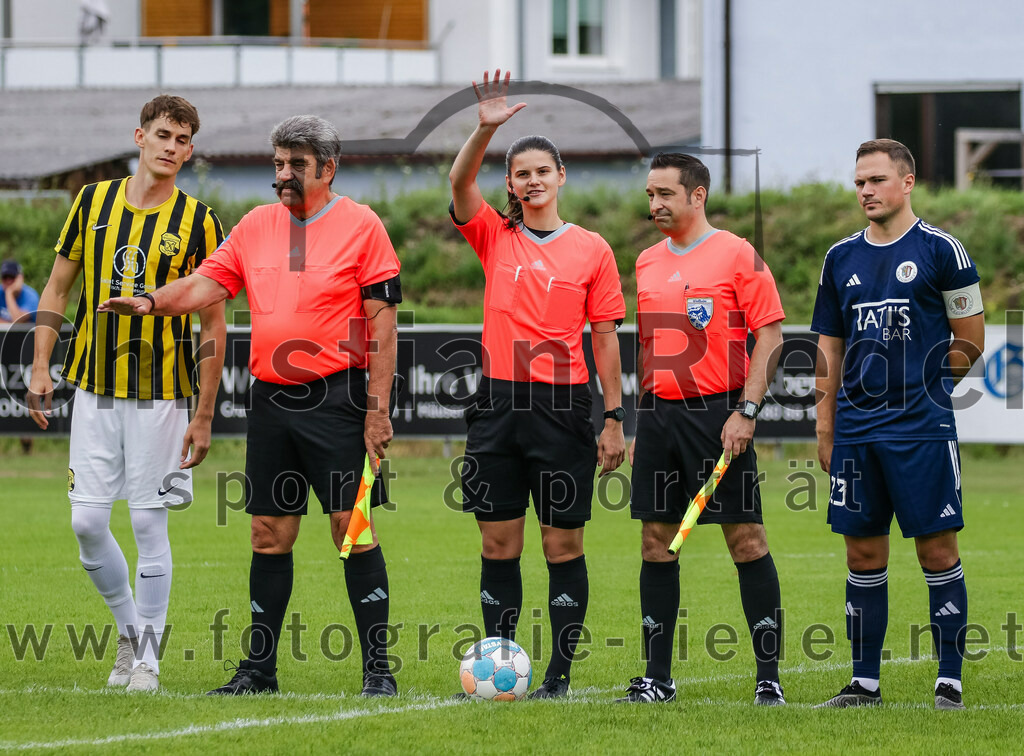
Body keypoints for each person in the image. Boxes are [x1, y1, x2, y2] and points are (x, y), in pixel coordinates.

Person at [98, 114, 402, 698]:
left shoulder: (363, 226)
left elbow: (382, 330)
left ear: (328, 169)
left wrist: (378, 409)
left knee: (353, 530)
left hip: (339, 398)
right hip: (271, 403)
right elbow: (204, 285)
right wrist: (149, 302)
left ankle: (378, 672)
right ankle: (260, 672)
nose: (284, 175)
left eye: (297, 165)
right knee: (268, 534)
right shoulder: (256, 224)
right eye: (279, 164)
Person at [27, 95, 226, 692]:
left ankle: (148, 661)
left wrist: (203, 415)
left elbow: (213, 327)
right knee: (87, 522)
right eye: (163, 134)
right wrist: (41, 364)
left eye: (183, 140)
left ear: (190, 150)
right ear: (139, 136)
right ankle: (129, 633)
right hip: (92, 389)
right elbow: (58, 287)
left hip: (162, 398)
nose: (172, 147)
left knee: (147, 525)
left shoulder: (200, 222)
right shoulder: (91, 203)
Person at [449, 70, 627, 699]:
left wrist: (613, 418)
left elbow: (605, 339)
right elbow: (458, 184)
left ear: (559, 179)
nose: (531, 182)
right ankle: (500, 658)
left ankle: (558, 674)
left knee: (562, 544)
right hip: (497, 406)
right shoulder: (494, 235)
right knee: (498, 542)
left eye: (540, 172)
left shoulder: (593, 250)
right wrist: (485, 128)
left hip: (563, 409)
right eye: (519, 174)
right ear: (511, 185)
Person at [812, 139, 985, 710]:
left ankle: (950, 680)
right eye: (859, 181)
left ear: (906, 183)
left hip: (921, 430)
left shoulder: (943, 251)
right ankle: (864, 682)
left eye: (877, 180)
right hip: (857, 433)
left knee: (937, 552)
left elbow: (972, 341)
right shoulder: (840, 259)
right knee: (862, 555)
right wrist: (826, 425)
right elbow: (830, 350)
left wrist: (928, 395)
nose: (865, 191)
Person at [618, 153, 786, 705]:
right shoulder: (645, 261)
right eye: (650, 194)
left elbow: (770, 338)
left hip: (717, 413)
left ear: (697, 196)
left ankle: (768, 680)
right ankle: (658, 680)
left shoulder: (739, 255)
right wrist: (642, 416)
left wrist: (748, 410)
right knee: (655, 542)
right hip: (659, 416)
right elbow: (648, 347)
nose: (655, 205)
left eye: (665, 193)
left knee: (745, 538)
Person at [1, 259, 40, 324]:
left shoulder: (31, 296)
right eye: (5, 277)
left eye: (11, 277)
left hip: (26, 334)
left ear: (20, 278)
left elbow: (18, 320)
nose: (8, 281)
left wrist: (9, 293)